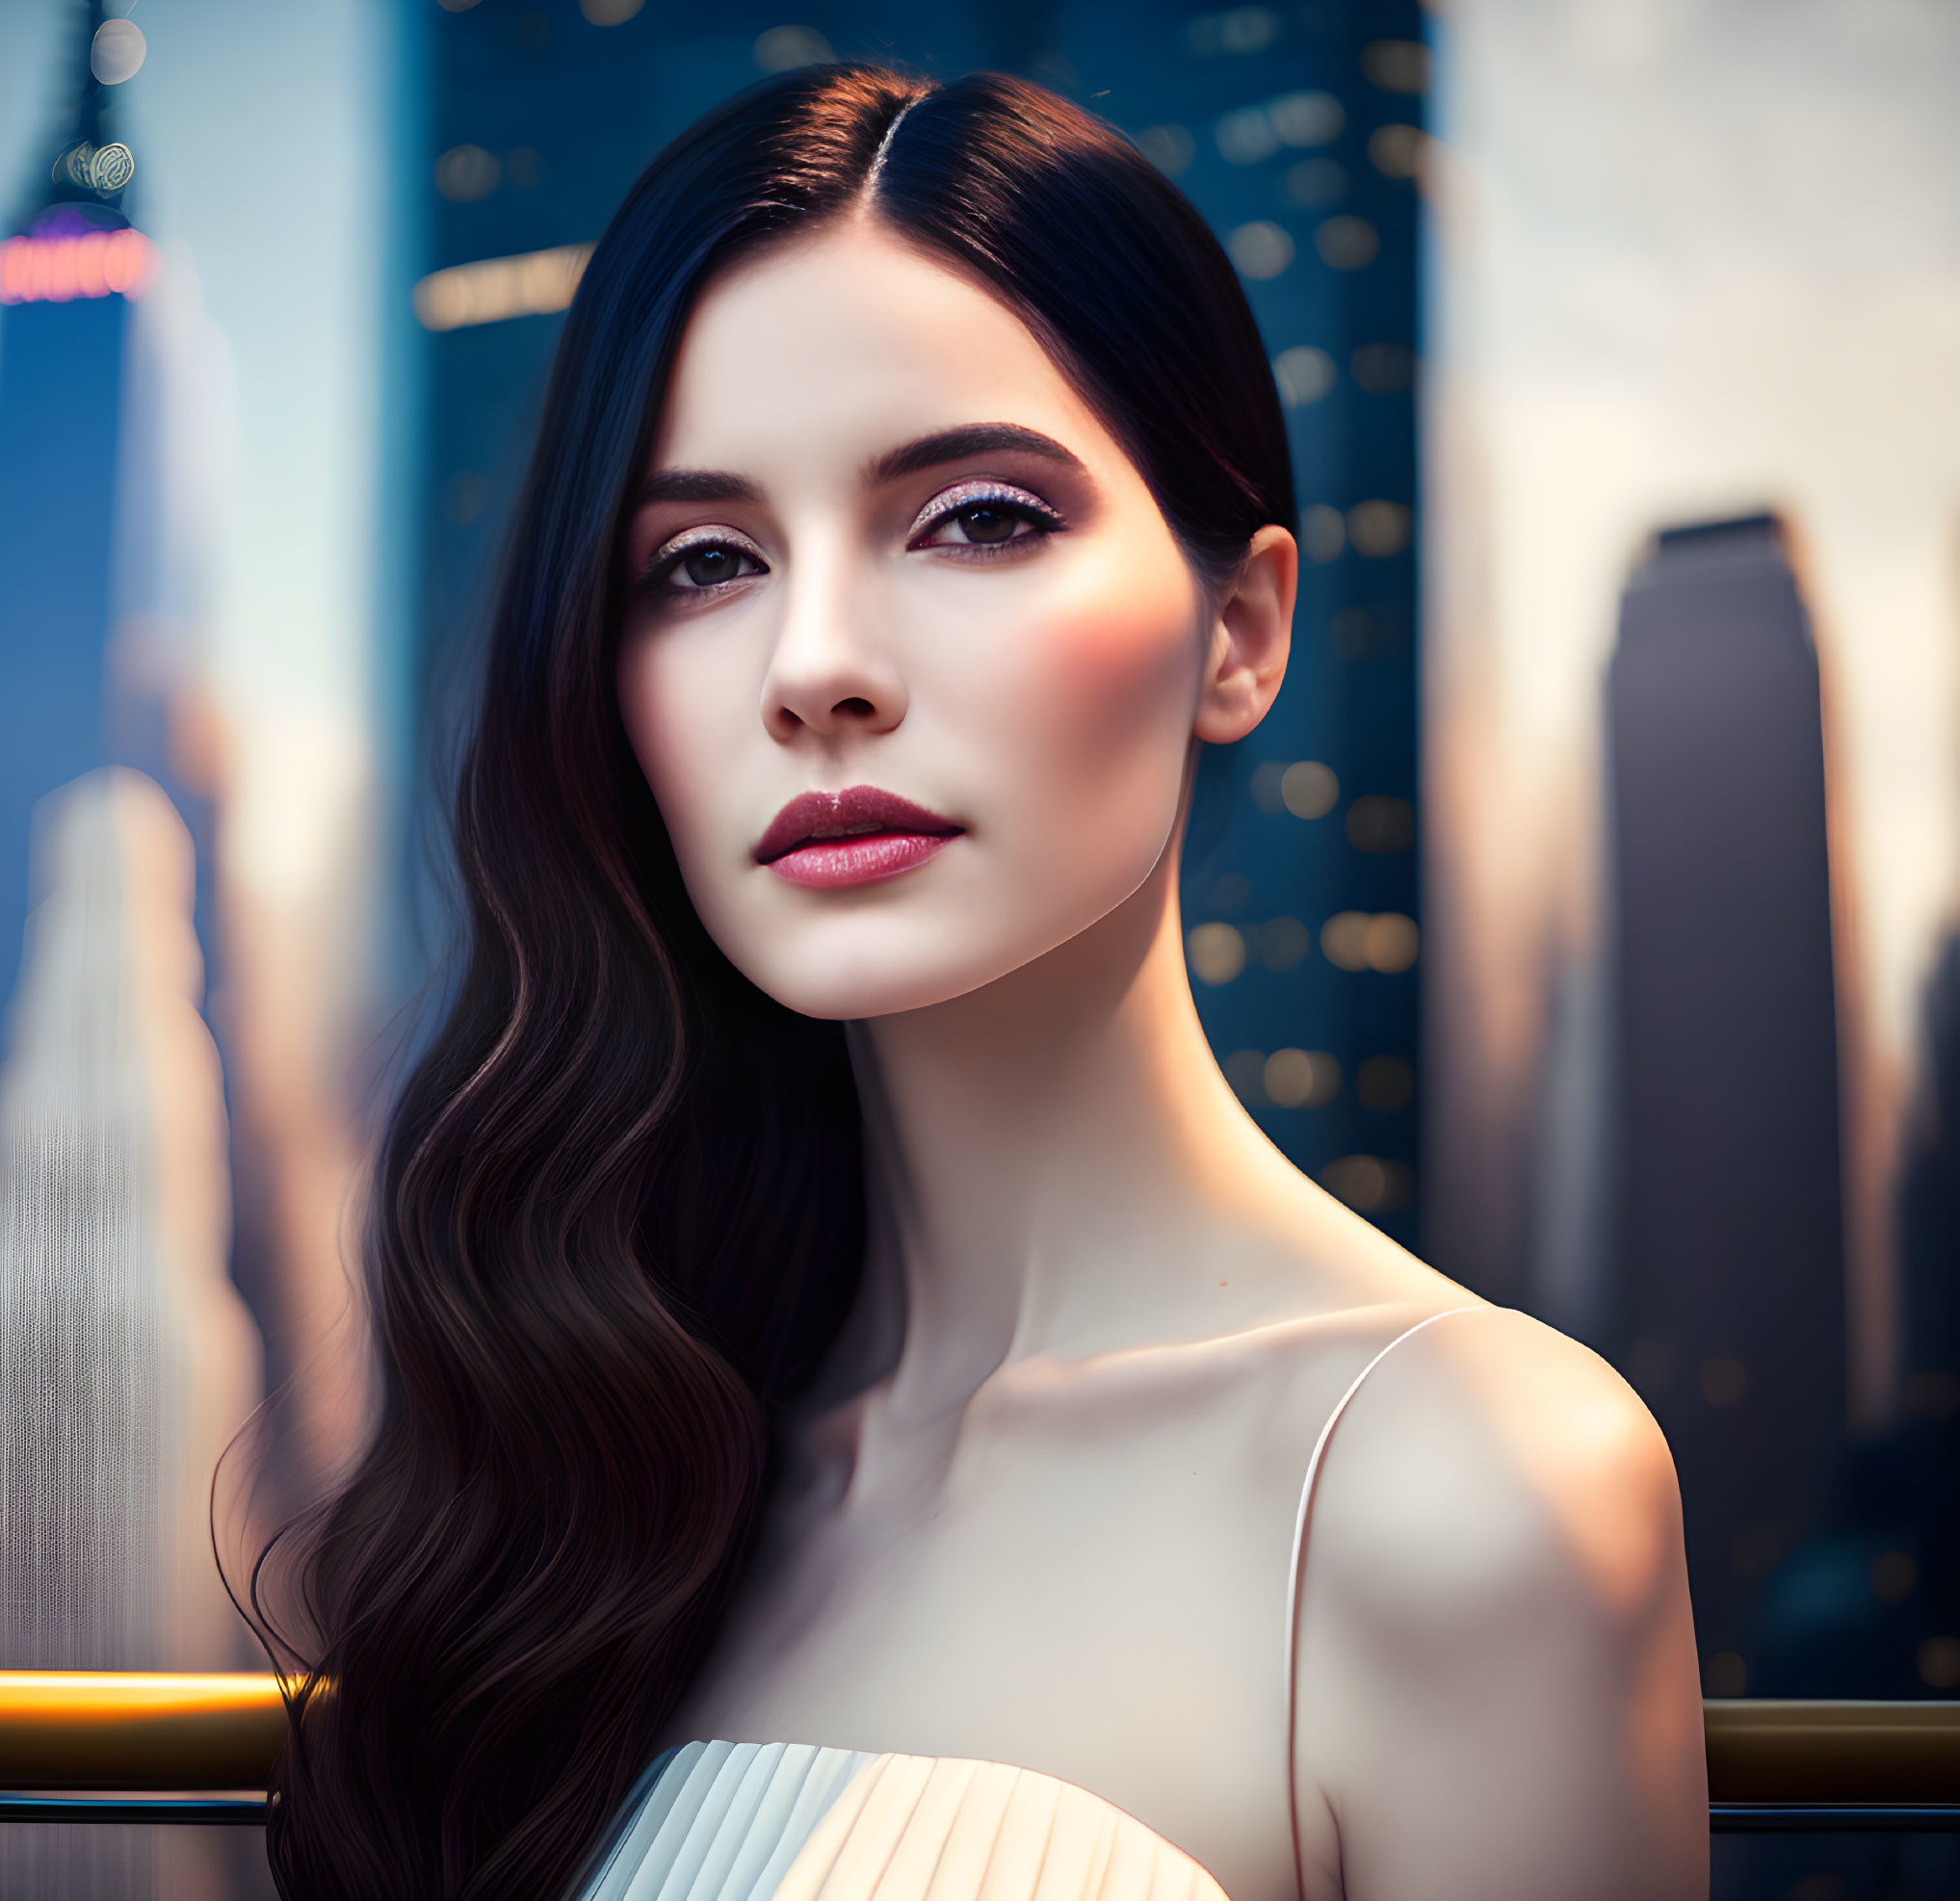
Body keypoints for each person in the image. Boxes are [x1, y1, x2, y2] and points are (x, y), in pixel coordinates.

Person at [260, 65, 1708, 1901]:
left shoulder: (1461, 1486)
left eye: (975, 518)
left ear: (1239, 628)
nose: (817, 666)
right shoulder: (622, 1475)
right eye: (702, 561)